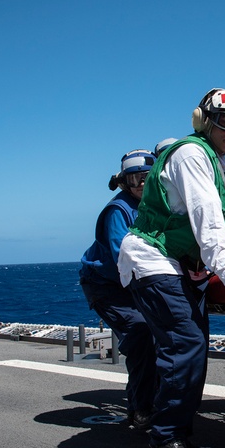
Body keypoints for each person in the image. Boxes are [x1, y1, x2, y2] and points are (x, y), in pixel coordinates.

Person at [119, 88, 225, 448]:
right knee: (185, 344)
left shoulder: (215, 159)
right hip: (153, 258)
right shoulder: (192, 153)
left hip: (182, 265)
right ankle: (164, 437)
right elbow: (206, 214)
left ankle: (179, 430)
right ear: (203, 120)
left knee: (195, 348)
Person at [78, 149, 157, 431]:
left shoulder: (155, 207)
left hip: (132, 283)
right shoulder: (118, 211)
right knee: (141, 333)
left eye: (145, 177)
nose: (139, 184)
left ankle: (152, 400)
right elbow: (123, 259)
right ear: (124, 181)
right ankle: (141, 410)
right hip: (106, 286)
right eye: (133, 179)